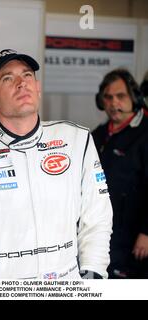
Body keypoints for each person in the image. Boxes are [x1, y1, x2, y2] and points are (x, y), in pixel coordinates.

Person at [0, 49, 113, 279]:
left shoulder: (77, 140)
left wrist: (94, 273)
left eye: (27, 75)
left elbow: (97, 217)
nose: (21, 83)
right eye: (7, 78)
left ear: (38, 87)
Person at [92, 69, 148, 278]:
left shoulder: (145, 133)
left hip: (135, 236)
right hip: (106, 231)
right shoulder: (99, 134)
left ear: (134, 98)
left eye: (121, 96)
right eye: (108, 97)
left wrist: (146, 233)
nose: (114, 103)